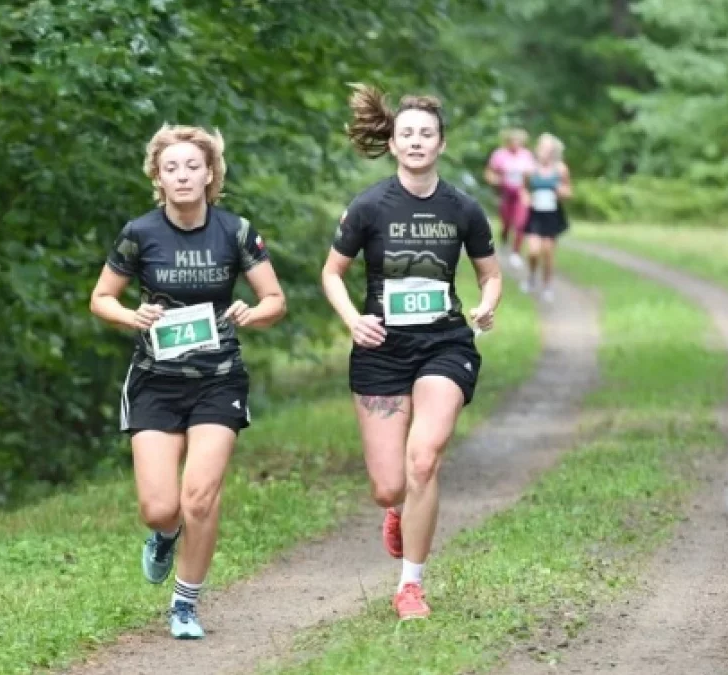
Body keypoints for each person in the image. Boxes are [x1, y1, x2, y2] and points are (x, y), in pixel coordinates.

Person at [89, 124, 287, 639]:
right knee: (161, 507)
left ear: (210, 174)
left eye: (192, 167)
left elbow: (275, 300)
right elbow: (100, 298)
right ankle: (164, 534)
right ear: (158, 175)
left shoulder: (235, 231)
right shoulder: (140, 232)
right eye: (171, 167)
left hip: (218, 379)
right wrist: (130, 315)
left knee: (200, 495)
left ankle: (185, 604)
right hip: (155, 380)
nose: (182, 176)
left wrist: (252, 311)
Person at [321, 84, 502, 620]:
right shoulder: (369, 206)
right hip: (381, 348)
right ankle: (397, 511)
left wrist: (486, 306)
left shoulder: (462, 207)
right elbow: (332, 273)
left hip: (444, 343)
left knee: (424, 459)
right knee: (388, 486)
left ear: (441, 144)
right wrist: (354, 320)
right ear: (394, 144)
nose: (417, 141)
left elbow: (489, 275)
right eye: (407, 134)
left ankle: (411, 586)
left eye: (427, 133)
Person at [521, 133, 573, 301]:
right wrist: (526, 198)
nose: (545, 151)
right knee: (533, 251)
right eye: (542, 147)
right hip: (535, 214)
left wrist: (561, 192)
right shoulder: (530, 170)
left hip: (552, 215)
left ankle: (547, 286)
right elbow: (523, 189)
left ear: (554, 151)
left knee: (548, 252)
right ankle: (531, 278)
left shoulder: (561, 169)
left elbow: (568, 192)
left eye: (548, 149)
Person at [484, 128, 535, 269]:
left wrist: (528, 189)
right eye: (513, 141)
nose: (516, 144)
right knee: (506, 223)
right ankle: (505, 241)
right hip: (505, 193)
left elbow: (531, 176)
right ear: (508, 142)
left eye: (519, 141)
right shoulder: (500, 154)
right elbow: (489, 173)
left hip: (520, 193)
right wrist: (496, 180)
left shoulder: (526, 155)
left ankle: (516, 252)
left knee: (520, 223)